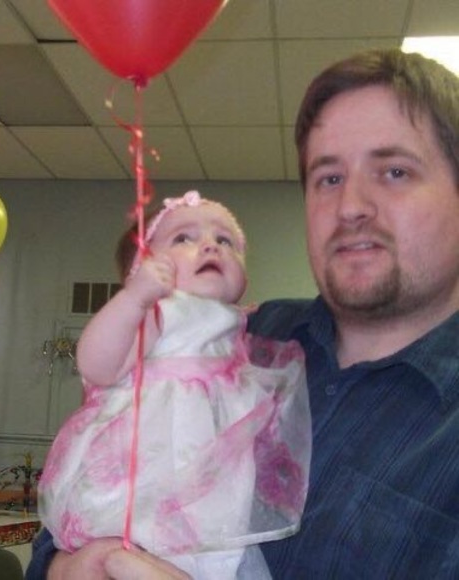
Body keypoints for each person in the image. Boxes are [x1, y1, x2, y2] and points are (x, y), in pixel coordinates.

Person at [26, 46, 459, 579]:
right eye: (328, 178)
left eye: (394, 171)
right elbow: (77, 513)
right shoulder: (247, 336)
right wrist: (68, 566)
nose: (351, 206)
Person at [36, 191, 310, 580]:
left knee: (218, 529)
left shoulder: (238, 324)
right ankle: (128, 560)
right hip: (157, 451)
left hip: (213, 460)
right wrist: (134, 299)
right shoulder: (157, 312)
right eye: (184, 238)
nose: (210, 245)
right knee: (150, 520)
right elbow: (97, 365)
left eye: (226, 241)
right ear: (142, 268)